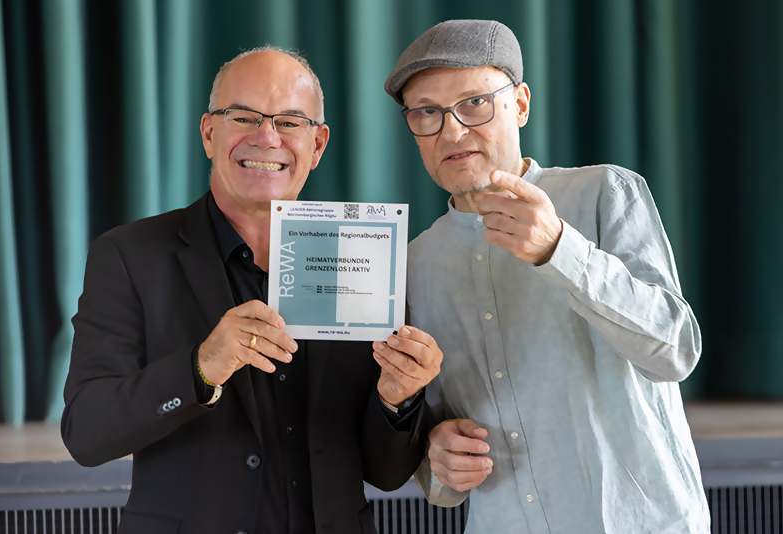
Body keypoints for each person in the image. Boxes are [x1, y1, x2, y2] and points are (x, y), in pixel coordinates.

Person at [62, 46, 442, 534]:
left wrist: (396, 400)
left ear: (318, 144)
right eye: (243, 116)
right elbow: (86, 434)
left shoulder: (367, 258)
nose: (267, 137)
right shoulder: (130, 256)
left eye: (289, 122)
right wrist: (200, 369)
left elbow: (386, 474)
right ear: (208, 133)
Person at [384, 19, 709, 533]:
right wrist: (437, 458)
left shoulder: (604, 193)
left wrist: (561, 249)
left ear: (520, 103)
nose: (451, 130)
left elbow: (675, 351)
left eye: (474, 103)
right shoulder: (411, 263)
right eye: (427, 112)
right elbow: (439, 468)